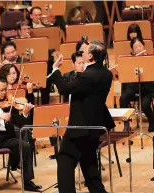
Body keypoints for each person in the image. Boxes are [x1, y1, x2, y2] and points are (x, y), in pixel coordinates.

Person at [48, 40, 115, 193]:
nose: (82, 52)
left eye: (85, 51)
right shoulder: (107, 73)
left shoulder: (87, 76)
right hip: (94, 128)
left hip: (80, 128)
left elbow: (65, 89)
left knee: (64, 159)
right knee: (89, 167)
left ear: (90, 56)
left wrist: (55, 70)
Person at [0, 78, 42, 193]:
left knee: (26, 146)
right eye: (1, 90)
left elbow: (19, 122)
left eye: (5, 89)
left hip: (8, 136)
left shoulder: (9, 102)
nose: (4, 92)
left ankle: (27, 182)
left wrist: (25, 114)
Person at [49, 51, 84, 160]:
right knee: (53, 122)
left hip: (82, 115)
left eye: (84, 63)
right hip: (68, 112)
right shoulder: (67, 76)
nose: (82, 66)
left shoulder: (87, 78)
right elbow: (60, 89)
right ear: (73, 64)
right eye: (79, 63)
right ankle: (60, 150)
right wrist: (55, 67)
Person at [120, 37, 154, 132]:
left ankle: (152, 121)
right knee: (123, 98)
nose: (139, 49)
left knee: (145, 105)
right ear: (133, 50)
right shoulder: (131, 61)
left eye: (140, 46)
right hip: (135, 88)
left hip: (148, 90)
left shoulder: (150, 59)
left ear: (144, 46)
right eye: (136, 47)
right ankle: (126, 124)